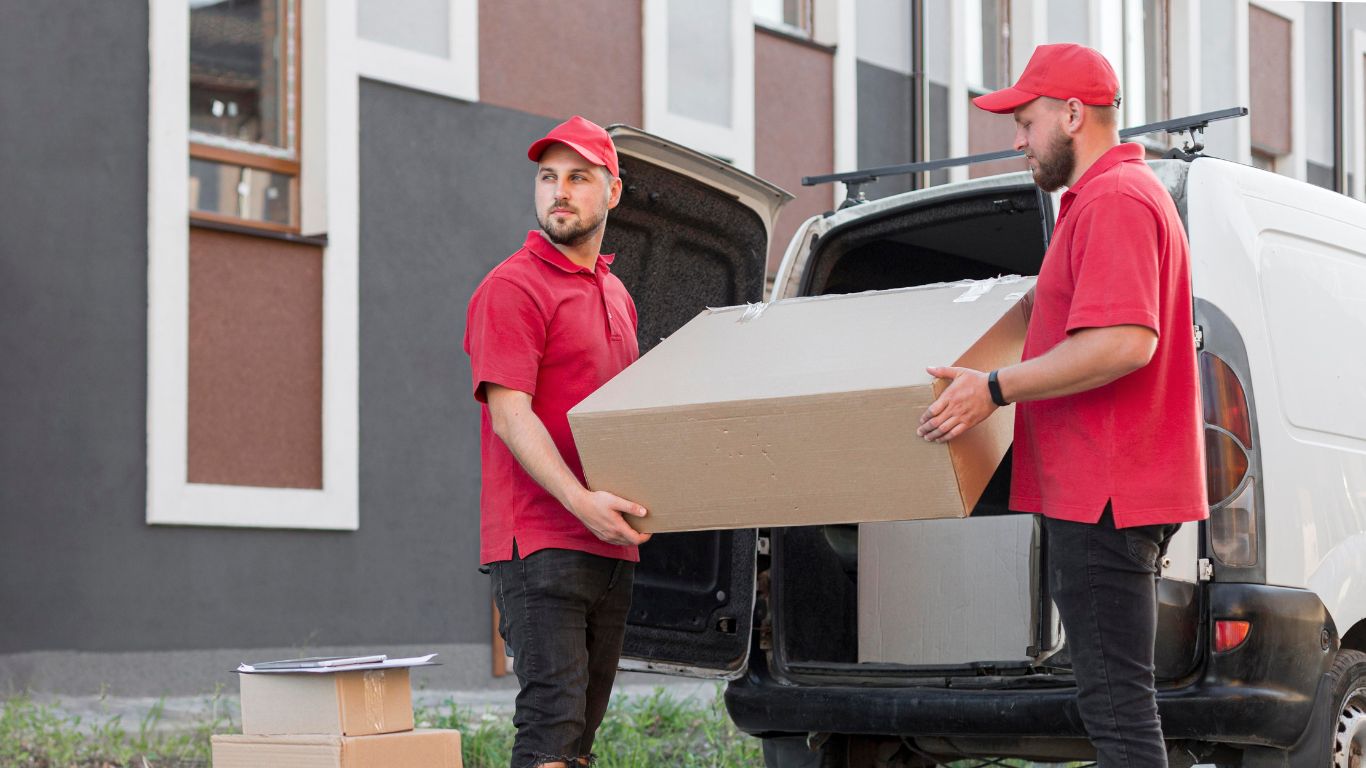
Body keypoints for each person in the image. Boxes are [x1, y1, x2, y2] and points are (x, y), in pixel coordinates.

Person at [915, 43, 1208, 767]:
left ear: (1074, 114)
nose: (1017, 141)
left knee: (1117, 710)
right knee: (1112, 699)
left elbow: (1121, 344)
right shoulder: (1111, 199)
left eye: (1026, 121)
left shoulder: (1114, 199)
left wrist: (992, 389)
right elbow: (1089, 331)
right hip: (1103, 492)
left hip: (1102, 494)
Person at [464, 115, 652, 768]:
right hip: (539, 540)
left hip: (609, 543)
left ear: (613, 192)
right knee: (552, 719)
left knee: (580, 736)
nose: (559, 192)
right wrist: (582, 502)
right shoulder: (512, 288)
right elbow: (511, 416)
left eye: (578, 177)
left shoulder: (618, 295)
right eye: (548, 178)